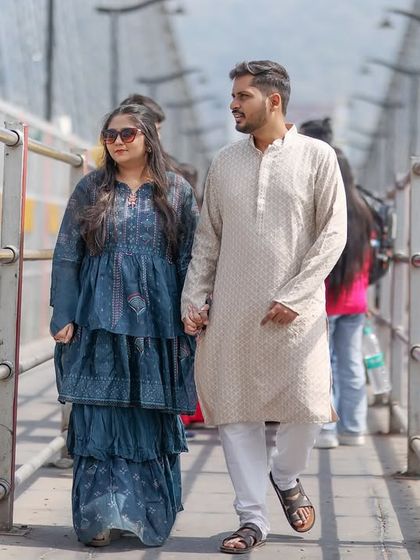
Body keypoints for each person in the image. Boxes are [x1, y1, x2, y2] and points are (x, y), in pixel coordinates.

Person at [181, 60, 347, 553]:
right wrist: (194, 296)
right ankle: (251, 519)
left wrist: (296, 296)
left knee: (309, 407)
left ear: (273, 101)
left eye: (242, 96)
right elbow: (208, 238)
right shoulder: (226, 161)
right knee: (236, 415)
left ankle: (286, 473)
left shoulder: (318, 158)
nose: (233, 104)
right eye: (233, 96)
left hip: (297, 314)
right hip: (232, 311)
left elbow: (333, 233)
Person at [50, 104, 198, 547]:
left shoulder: (177, 192)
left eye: (127, 133)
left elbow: (192, 257)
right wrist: (64, 314)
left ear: (149, 137)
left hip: (158, 325)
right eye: (110, 135)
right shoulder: (90, 189)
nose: (116, 141)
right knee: (99, 412)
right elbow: (67, 253)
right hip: (98, 321)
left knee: (147, 417)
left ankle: (143, 515)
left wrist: (194, 310)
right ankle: (98, 518)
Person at [300, 119, 374, 449]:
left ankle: (327, 430)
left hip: (323, 299)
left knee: (323, 365)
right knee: (352, 363)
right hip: (355, 301)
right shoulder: (363, 209)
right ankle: (354, 429)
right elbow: (370, 261)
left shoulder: (319, 206)